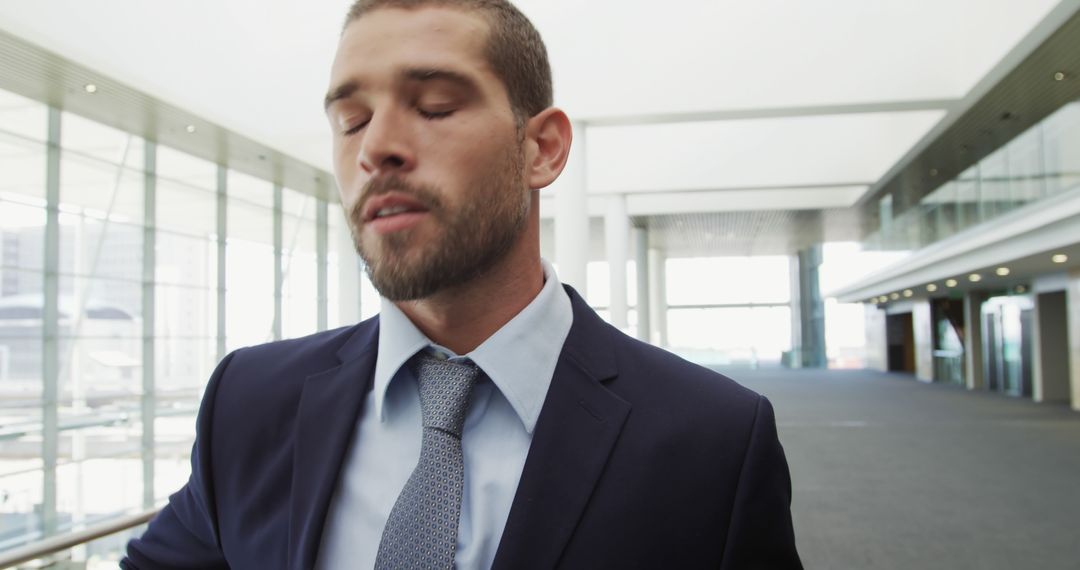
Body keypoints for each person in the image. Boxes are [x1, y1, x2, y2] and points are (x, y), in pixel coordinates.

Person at [122, 0, 802, 568]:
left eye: (436, 106)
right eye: (350, 120)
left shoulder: (713, 443)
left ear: (541, 149)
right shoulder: (249, 402)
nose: (374, 147)